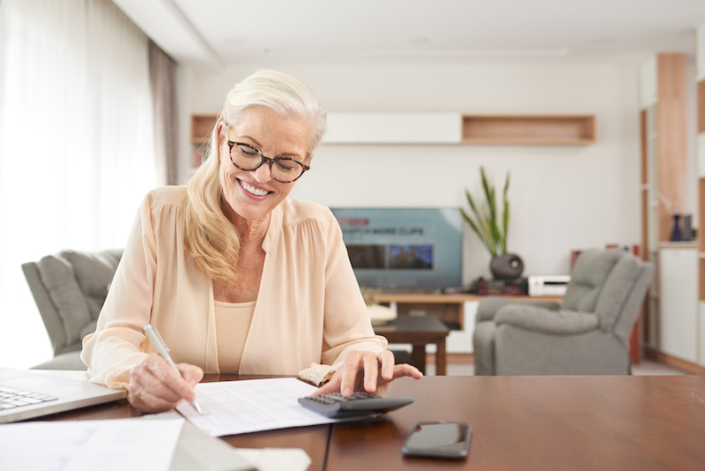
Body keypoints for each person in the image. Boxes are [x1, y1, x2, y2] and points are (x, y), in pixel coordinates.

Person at [81, 70, 422, 413]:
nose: (261, 176)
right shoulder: (160, 214)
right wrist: (136, 374)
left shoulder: (318, 228)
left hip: (288, 431)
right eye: (247, 149)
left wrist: (363, 361)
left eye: (286, 162)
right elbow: (112, 339)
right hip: (174, 426)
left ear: (305, 163)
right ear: (220, 137)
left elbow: (355, 341)